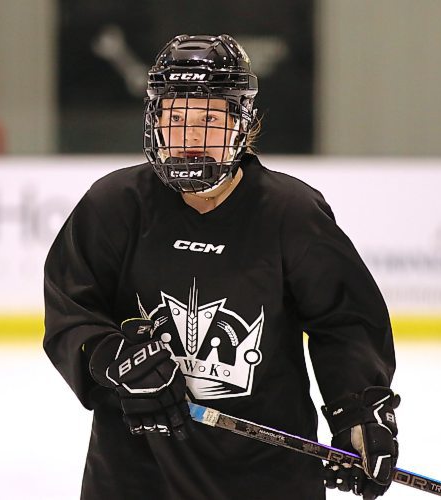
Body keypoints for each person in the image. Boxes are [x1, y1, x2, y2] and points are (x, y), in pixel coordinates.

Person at [44, 34, 399, 500]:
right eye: (175, 118)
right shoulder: (114, 206)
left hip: (265, 479)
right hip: (136, 478)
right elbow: (71, 310)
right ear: (154, 122)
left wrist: (357, 410)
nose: (190, 138)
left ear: (243, 124)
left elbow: (345, 321)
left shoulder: (290, 213)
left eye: (209, 118)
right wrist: (111, 356)